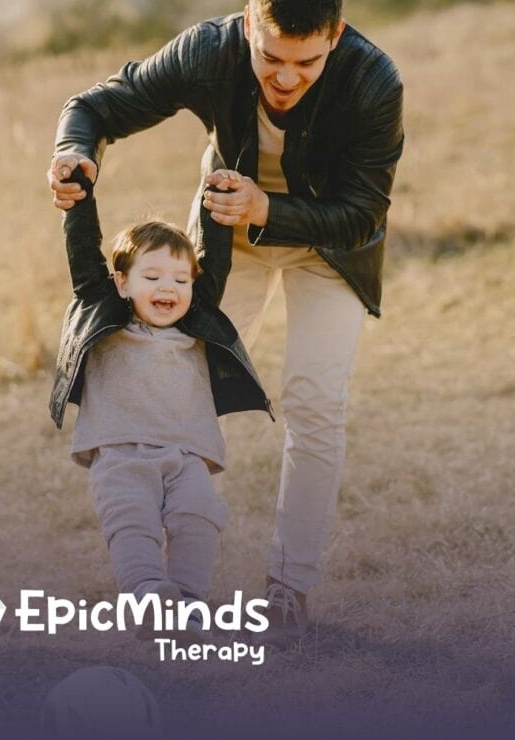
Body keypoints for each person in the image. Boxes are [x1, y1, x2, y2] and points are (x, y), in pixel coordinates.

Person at [48, 0, 404, 646]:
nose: (288, 78)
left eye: (308, 62)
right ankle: (154, 574)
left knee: (314, 401)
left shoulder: (374, 81)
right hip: (222, 243)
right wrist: (74, 153)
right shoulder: (208, 52)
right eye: (271, 58)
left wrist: (268, 205)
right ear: (247, 26)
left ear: (337, 36)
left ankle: (289, 587)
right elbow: (95, 108)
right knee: (177, 378)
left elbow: (363, 213)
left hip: (331, 250)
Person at [50, 166, 270, 638]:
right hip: (120, 453)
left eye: (180, 279)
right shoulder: (105, 314)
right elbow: (83, 255)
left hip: (186, 454)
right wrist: (78, 198)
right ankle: (147, 594)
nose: (168, 288)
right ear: (122, 283)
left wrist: (219, 193)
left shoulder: (197, 324)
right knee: (132, 523)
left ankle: (188, 604)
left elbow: (215, 256)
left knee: (199, 518)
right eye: (152, 276)